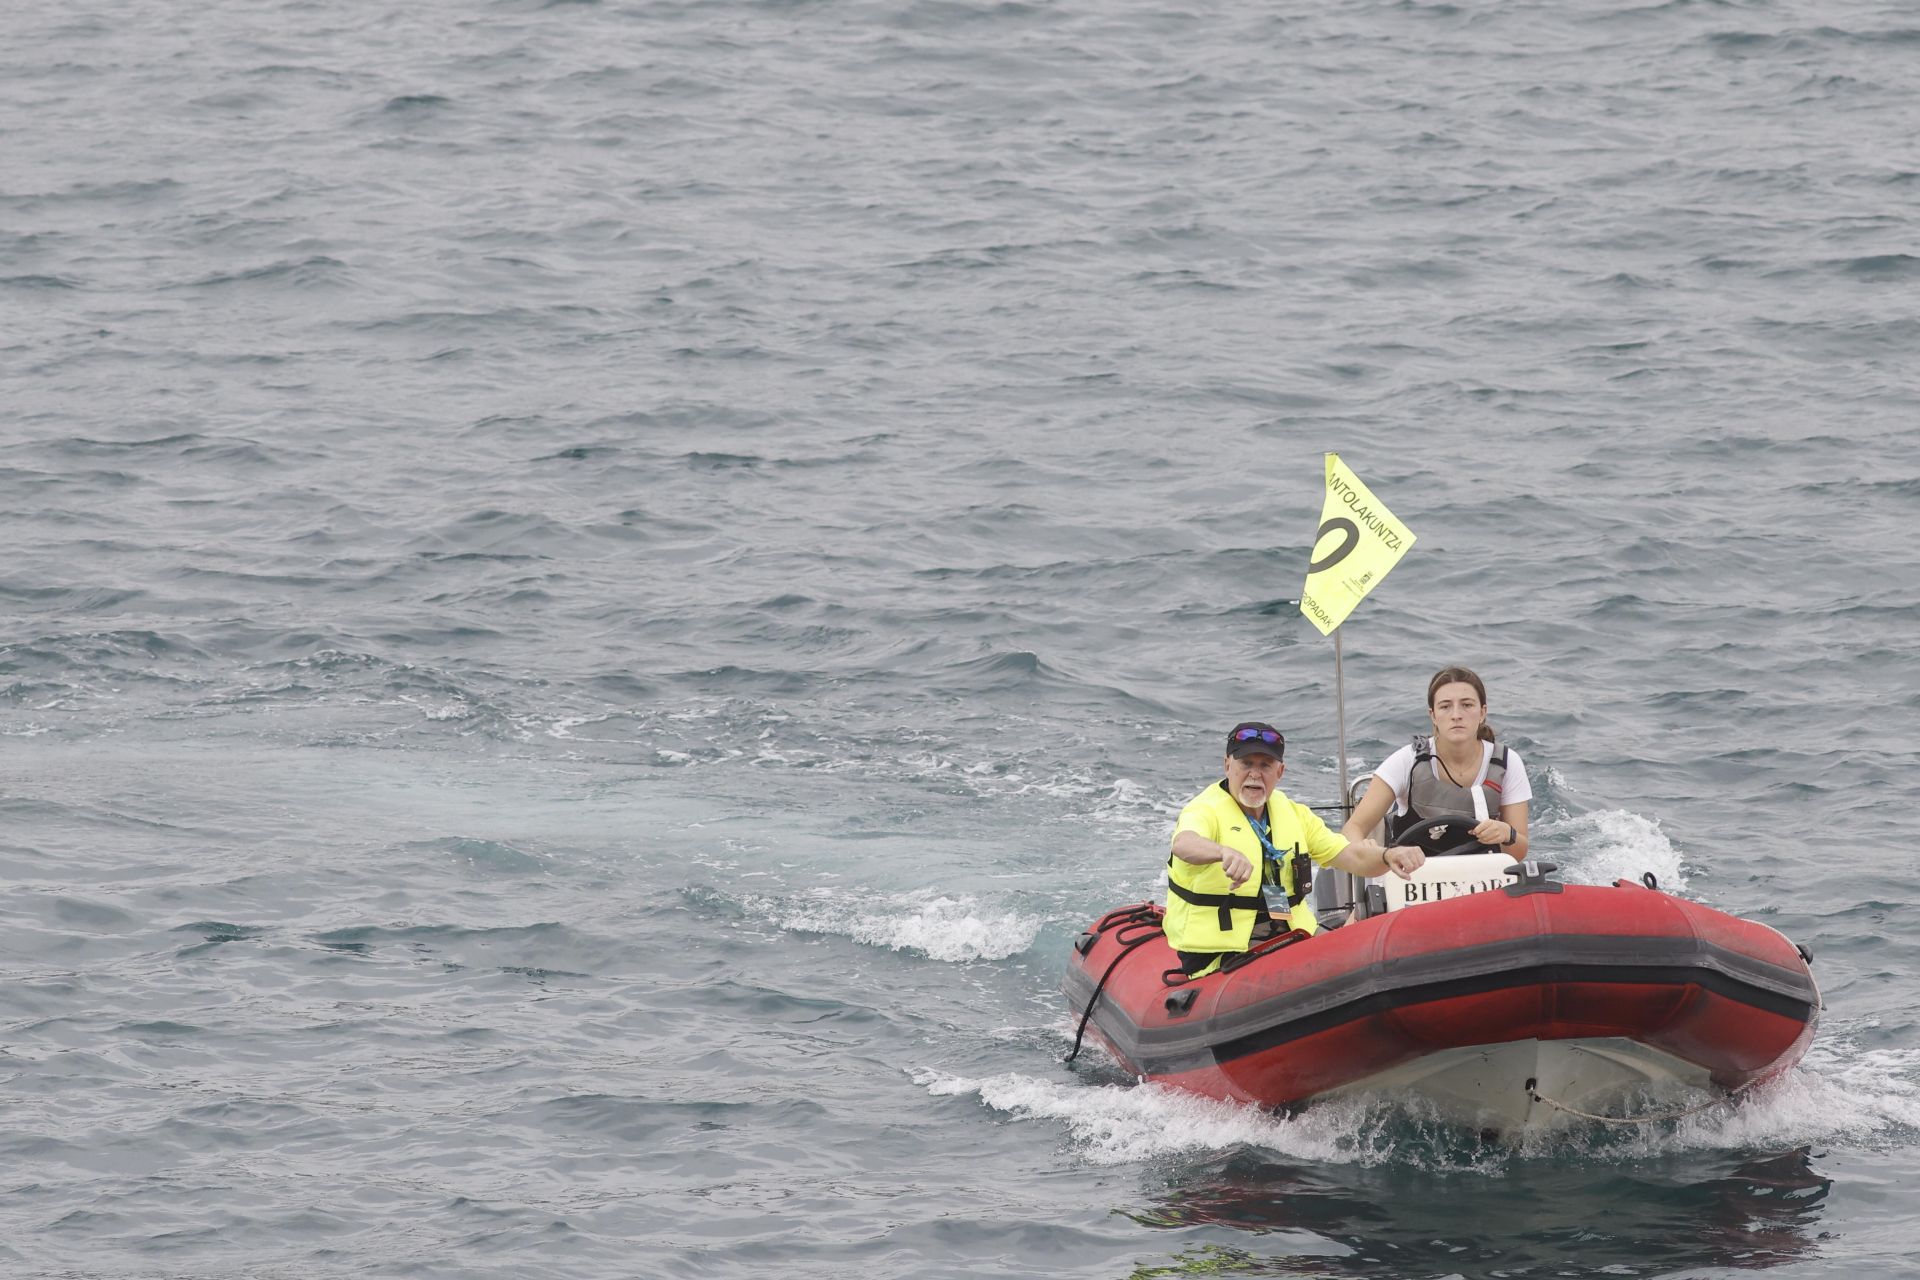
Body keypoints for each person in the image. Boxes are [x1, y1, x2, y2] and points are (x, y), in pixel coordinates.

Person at [1166, 721, 1425, 978]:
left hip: (1288, 935)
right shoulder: (1204, 809)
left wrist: (1388, 855)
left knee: (1360, 965)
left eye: (1265, 765)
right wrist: (1223, 852)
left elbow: (1351, 855)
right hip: (1223, 951)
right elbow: (1184, 843)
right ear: (1227, 766)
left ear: (1280, 772)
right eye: (1246, 764)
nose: (1255, 774)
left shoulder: (1294, 814)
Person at [1342, 666, 1532, 861]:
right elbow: (1353, 829)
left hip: (1482, 876)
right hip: (1410, 875)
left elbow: (1518, 853)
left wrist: (1507, 834)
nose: (1456, 715)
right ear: (1433, 715)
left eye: (1467, 705)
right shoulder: (1407, 761)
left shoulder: (1508, 762)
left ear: (1482, 712)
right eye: (1445, 706)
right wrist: (1374, 852)